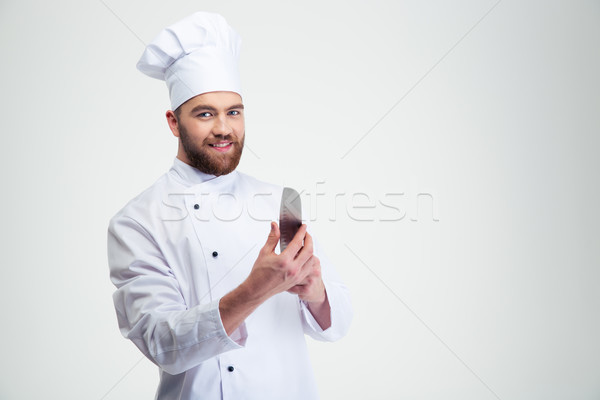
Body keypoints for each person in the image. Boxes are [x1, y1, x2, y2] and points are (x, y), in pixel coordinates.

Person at [107, 11, 353, 400]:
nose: (224, 128)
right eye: (205, 113)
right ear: (174, 121)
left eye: (233, 112)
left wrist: (314, 290)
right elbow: (162, 344)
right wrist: (256, 288)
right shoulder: (137, 221)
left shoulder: (279, 201)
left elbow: (338, 321)